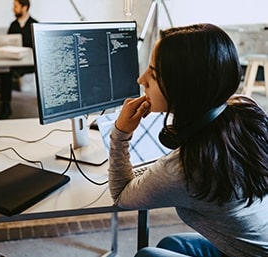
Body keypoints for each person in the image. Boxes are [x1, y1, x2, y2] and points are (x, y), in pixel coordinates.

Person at [108, 23, 268, 257]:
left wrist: (120, 133)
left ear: (182, 85)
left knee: (148, 255)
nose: (141, 79)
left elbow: (122, 196)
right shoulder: (246, 110)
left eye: (153, 73)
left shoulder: (184, 169)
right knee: (172, 245)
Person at [0, 0, 38, 119]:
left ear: (24, 7)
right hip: (16, 62)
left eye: (16, 6)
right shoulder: (13, 25)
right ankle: (5, 105)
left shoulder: (35, 25)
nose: (13, 9)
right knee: (4, 71)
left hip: (31, 63)